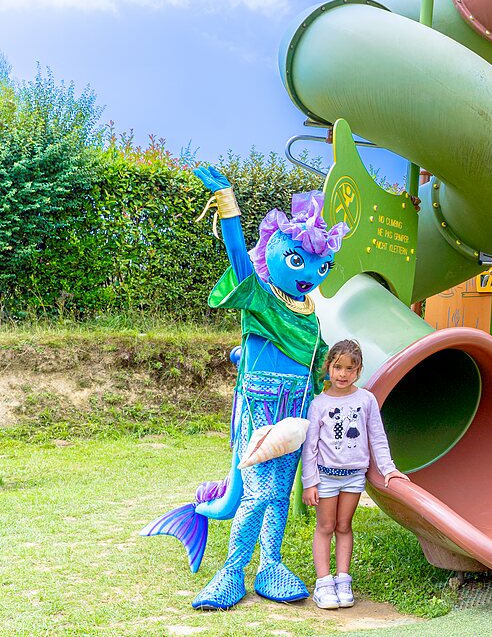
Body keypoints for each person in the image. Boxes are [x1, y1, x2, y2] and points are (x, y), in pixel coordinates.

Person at [141, 168, 348, 610]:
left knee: (278, 491)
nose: (311, 273)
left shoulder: (310, 313)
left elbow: (321, 361)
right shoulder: (259, 296)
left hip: (298, 406)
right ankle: (232, 570)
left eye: (321, 265)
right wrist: (227, 204)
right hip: (260, 405)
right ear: (275, 253)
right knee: (255, 491)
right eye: (298, 260)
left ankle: (270, 564)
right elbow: (238, 257)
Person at [302, 339, 409, 609]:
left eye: (350, 368)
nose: (343, 374)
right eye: (338, 367)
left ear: (359, 370)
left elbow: (377, 437)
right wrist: (309, 482)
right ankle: (324, 582)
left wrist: (389, 469)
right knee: (325, 527)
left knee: (344, 526)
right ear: (328, 368)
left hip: (353, 477)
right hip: (325, 477)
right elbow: (310, 447)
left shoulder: (366, 400)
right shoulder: (319, 404)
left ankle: (343, 579)